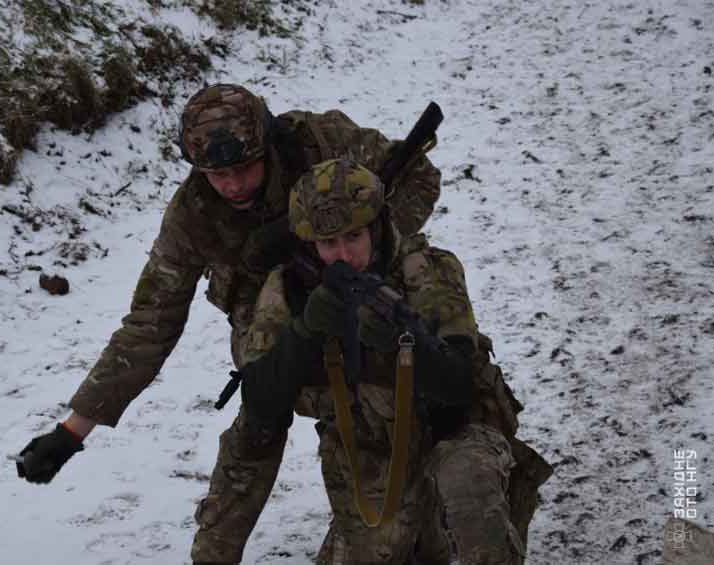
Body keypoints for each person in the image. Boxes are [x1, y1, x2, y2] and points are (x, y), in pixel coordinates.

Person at [13, 84, 443, 559]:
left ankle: (389, 512)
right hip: (266, 308)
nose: (232, 184)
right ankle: (213, 552)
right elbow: (150, 322)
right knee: (261, 411)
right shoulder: (193, 215)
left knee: (380, 397)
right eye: (217, 174)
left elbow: (419, 176)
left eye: (243, 167)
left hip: (364, 287)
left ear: (268, 145)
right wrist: (72, 432)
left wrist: (362, 245)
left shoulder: (320, 142)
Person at [236, 158, 552, 564]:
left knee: (470, 491)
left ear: (378, 226)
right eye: (328, 243)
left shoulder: (427, 269)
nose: (343, 255)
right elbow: (259, 399)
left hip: (454, 437)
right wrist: (306, 332)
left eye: (354, 236)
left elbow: (459, 388)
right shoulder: (289, 288)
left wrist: (409, 344)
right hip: (370, 457)